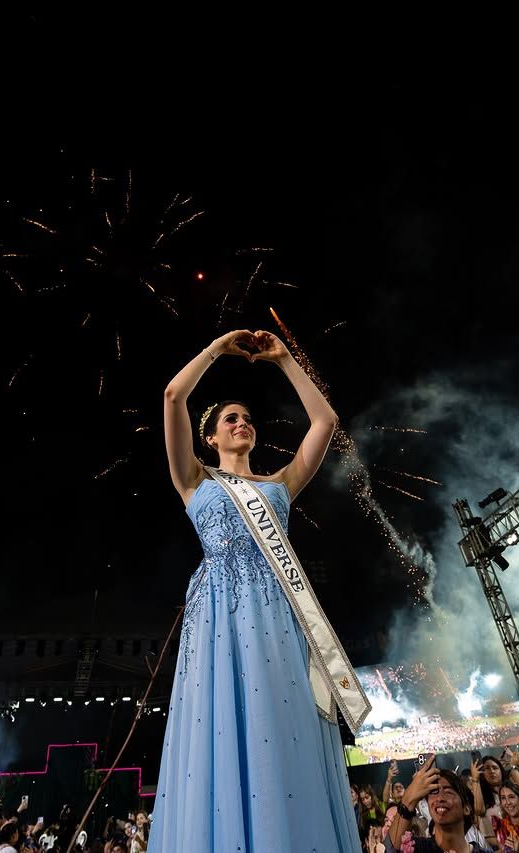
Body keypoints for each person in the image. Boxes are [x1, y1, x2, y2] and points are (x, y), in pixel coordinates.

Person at [148, 329, 366, 851]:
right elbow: (173, 396)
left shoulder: (280, 485)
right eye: (231, 419)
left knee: (282, 722)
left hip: (275, 614)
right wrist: (217, 349)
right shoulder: (194, 481)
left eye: (247, 418)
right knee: (221, 722)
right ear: (211, 437)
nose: (243, 423)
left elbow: (326, 422)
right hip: (218, 613)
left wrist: (287, 360)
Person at [387, 756, 490, 853]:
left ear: (466, 808)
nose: (440, 798)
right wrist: (408, 799)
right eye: (434, 792)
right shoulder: (418, 848)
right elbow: (391, 849)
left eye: (448, 791)